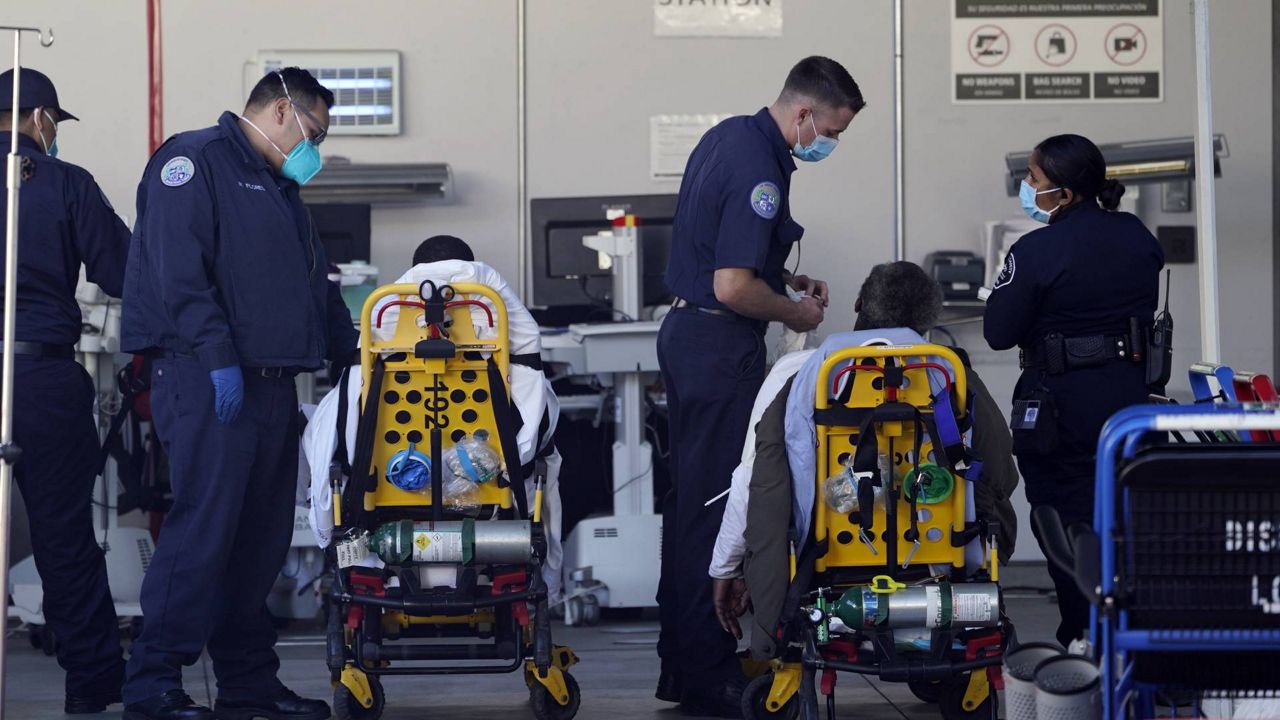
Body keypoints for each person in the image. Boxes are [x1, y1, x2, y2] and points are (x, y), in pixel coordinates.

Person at [120, 67, 357, 720]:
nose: (316, 148)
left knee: (258, 544)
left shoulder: (281, 191)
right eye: (315, 131)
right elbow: (178, 272)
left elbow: (317, 285)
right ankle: (151, 685)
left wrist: (354, 357)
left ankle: (249, 684)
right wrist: (218, 359)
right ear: (283, 110)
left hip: (275, 386)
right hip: (209, 380)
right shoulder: (193, 162)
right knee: (204, 533)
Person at [657, 55, 863, 717]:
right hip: (719, 346)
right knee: (719, 506)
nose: (828, 143)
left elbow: (733, 259)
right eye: (831, 130)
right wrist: (793, 312)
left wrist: (787, 281)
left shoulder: (728, 137)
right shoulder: (759, 169)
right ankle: (711, 672)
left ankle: (685, 664)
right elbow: (732, 286)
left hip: (693, 338)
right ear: (803, 113)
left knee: (691, 506)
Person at [708, 262, 1019, 656]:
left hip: (823, 558)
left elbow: (754, 482)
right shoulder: (951, 376)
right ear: (927, 322)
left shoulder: (801, 374)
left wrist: (726, 568)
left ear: (858, 304)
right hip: (939, 554)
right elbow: (1000, 474)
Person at [304, 235, 566, 603]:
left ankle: (365, 566)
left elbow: (347, 425)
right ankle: (543, 581)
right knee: (550, 454)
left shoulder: (383, 313)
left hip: (388, 480)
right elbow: (534, 418)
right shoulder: (498, 313)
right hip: (489, 483)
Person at [984, 133, 1163, 648]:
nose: (1027, 189)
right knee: (1123, 522)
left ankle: (1082, 633)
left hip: (1059, 414)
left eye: (1034, 181)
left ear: (1063, 195)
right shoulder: (1136, 236)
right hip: (1128, 409)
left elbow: (998, 331)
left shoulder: (1037, 249)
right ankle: (1127, 633)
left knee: (1062, 525)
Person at [0, 67, 130, 715]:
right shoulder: (65, 183)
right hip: (42, 374)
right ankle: (92, 685)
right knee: (64, 537)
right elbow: (121, 271)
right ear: (42, 118)